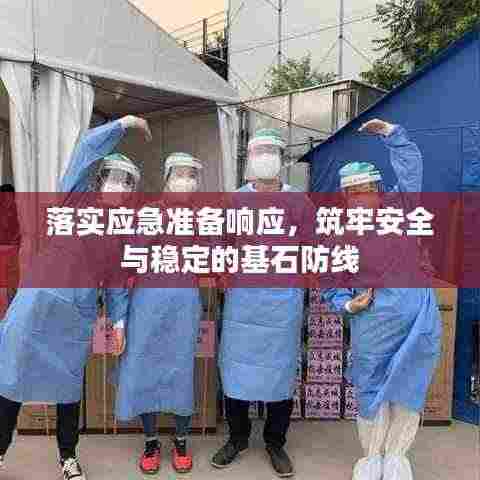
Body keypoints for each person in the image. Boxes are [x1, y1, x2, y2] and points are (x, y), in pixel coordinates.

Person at [0, 115, 152, 480]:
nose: (119, 186)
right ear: (99, 179)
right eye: (114, 177)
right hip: (37, 308)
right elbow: (86, 150)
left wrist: (119, 322)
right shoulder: (74, 199)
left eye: (127, 182)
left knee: (68, 390)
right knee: (11, 380)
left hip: (74, 318)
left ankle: (68, 458)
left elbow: (116, 282)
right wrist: (123, 124)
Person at [323, 119, 442, 480]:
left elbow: (411, 168)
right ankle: (372, 457)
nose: (361, 197)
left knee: (408, 387)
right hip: (373, 322)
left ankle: (396, 459)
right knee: (372, 389)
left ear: (379, 189)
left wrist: (392, 134)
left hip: (416, 318)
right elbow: (332, 282)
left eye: (367, 189)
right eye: (353, 192)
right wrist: (348, 305)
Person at [211, 129, 304, 478]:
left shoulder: (299, 202)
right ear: (249, 158)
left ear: (282, 158)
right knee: (236, 370)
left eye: (271, 151)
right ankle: (237, 438)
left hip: (283, 302)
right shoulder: (235, 200)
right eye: (259, 151)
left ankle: (275, 442)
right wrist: (222, 273)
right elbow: (220, 243)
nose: (266, 157)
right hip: (244, 303)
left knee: (280, 372)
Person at [113, 152, 204, 475]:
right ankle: (151, 441)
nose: (185, 181)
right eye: (179, 174)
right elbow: (129, 257)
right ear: (166, 178)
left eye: (191, 175)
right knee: (143, 370)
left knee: (181, 372)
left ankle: (181, 440)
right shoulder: (149, 213)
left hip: (183, 306)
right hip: (147, 306)